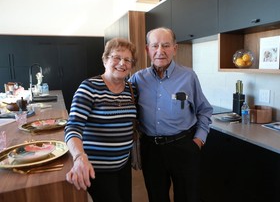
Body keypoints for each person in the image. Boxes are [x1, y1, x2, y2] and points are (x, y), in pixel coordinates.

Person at [129, 27, 213, 202]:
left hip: (183, 146)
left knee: (188, 196)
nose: (160, 51)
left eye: (166, 45)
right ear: (147, 49)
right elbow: (119, 98)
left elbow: (204, 110)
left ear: (175, 48)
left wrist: (198, 140)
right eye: (155, 46)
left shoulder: (188, 76)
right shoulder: (137, 79)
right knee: (156, 196)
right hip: (151, 149)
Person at [64, 38, 137, 202]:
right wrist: (79, 157)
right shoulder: (89, 87)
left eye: (127, 60)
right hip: (97, 169)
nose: (121, 63)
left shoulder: (131, 89)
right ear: (105, 60)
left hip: (123, 165)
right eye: (116, 57)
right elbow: (73, 127)